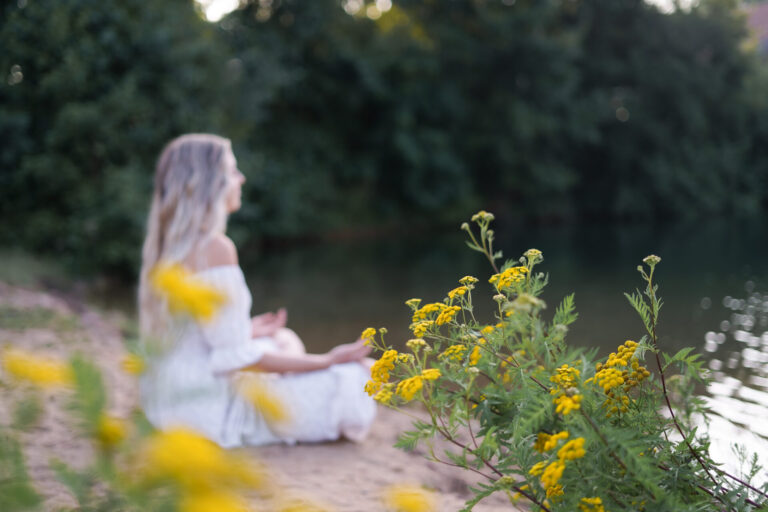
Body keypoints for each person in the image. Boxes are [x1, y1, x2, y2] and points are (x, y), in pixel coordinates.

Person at [137, 133, 375, 448]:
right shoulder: (215, 248)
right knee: (360, 375)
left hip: (165, 400)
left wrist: (246, 330)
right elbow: (235, 360)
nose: (241, 179)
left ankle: (292, 376)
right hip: (206, 409)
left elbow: (186, 337)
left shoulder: (165, 245)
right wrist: (328, 360)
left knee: (283, 338)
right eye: (232, 171)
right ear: (210, 184)